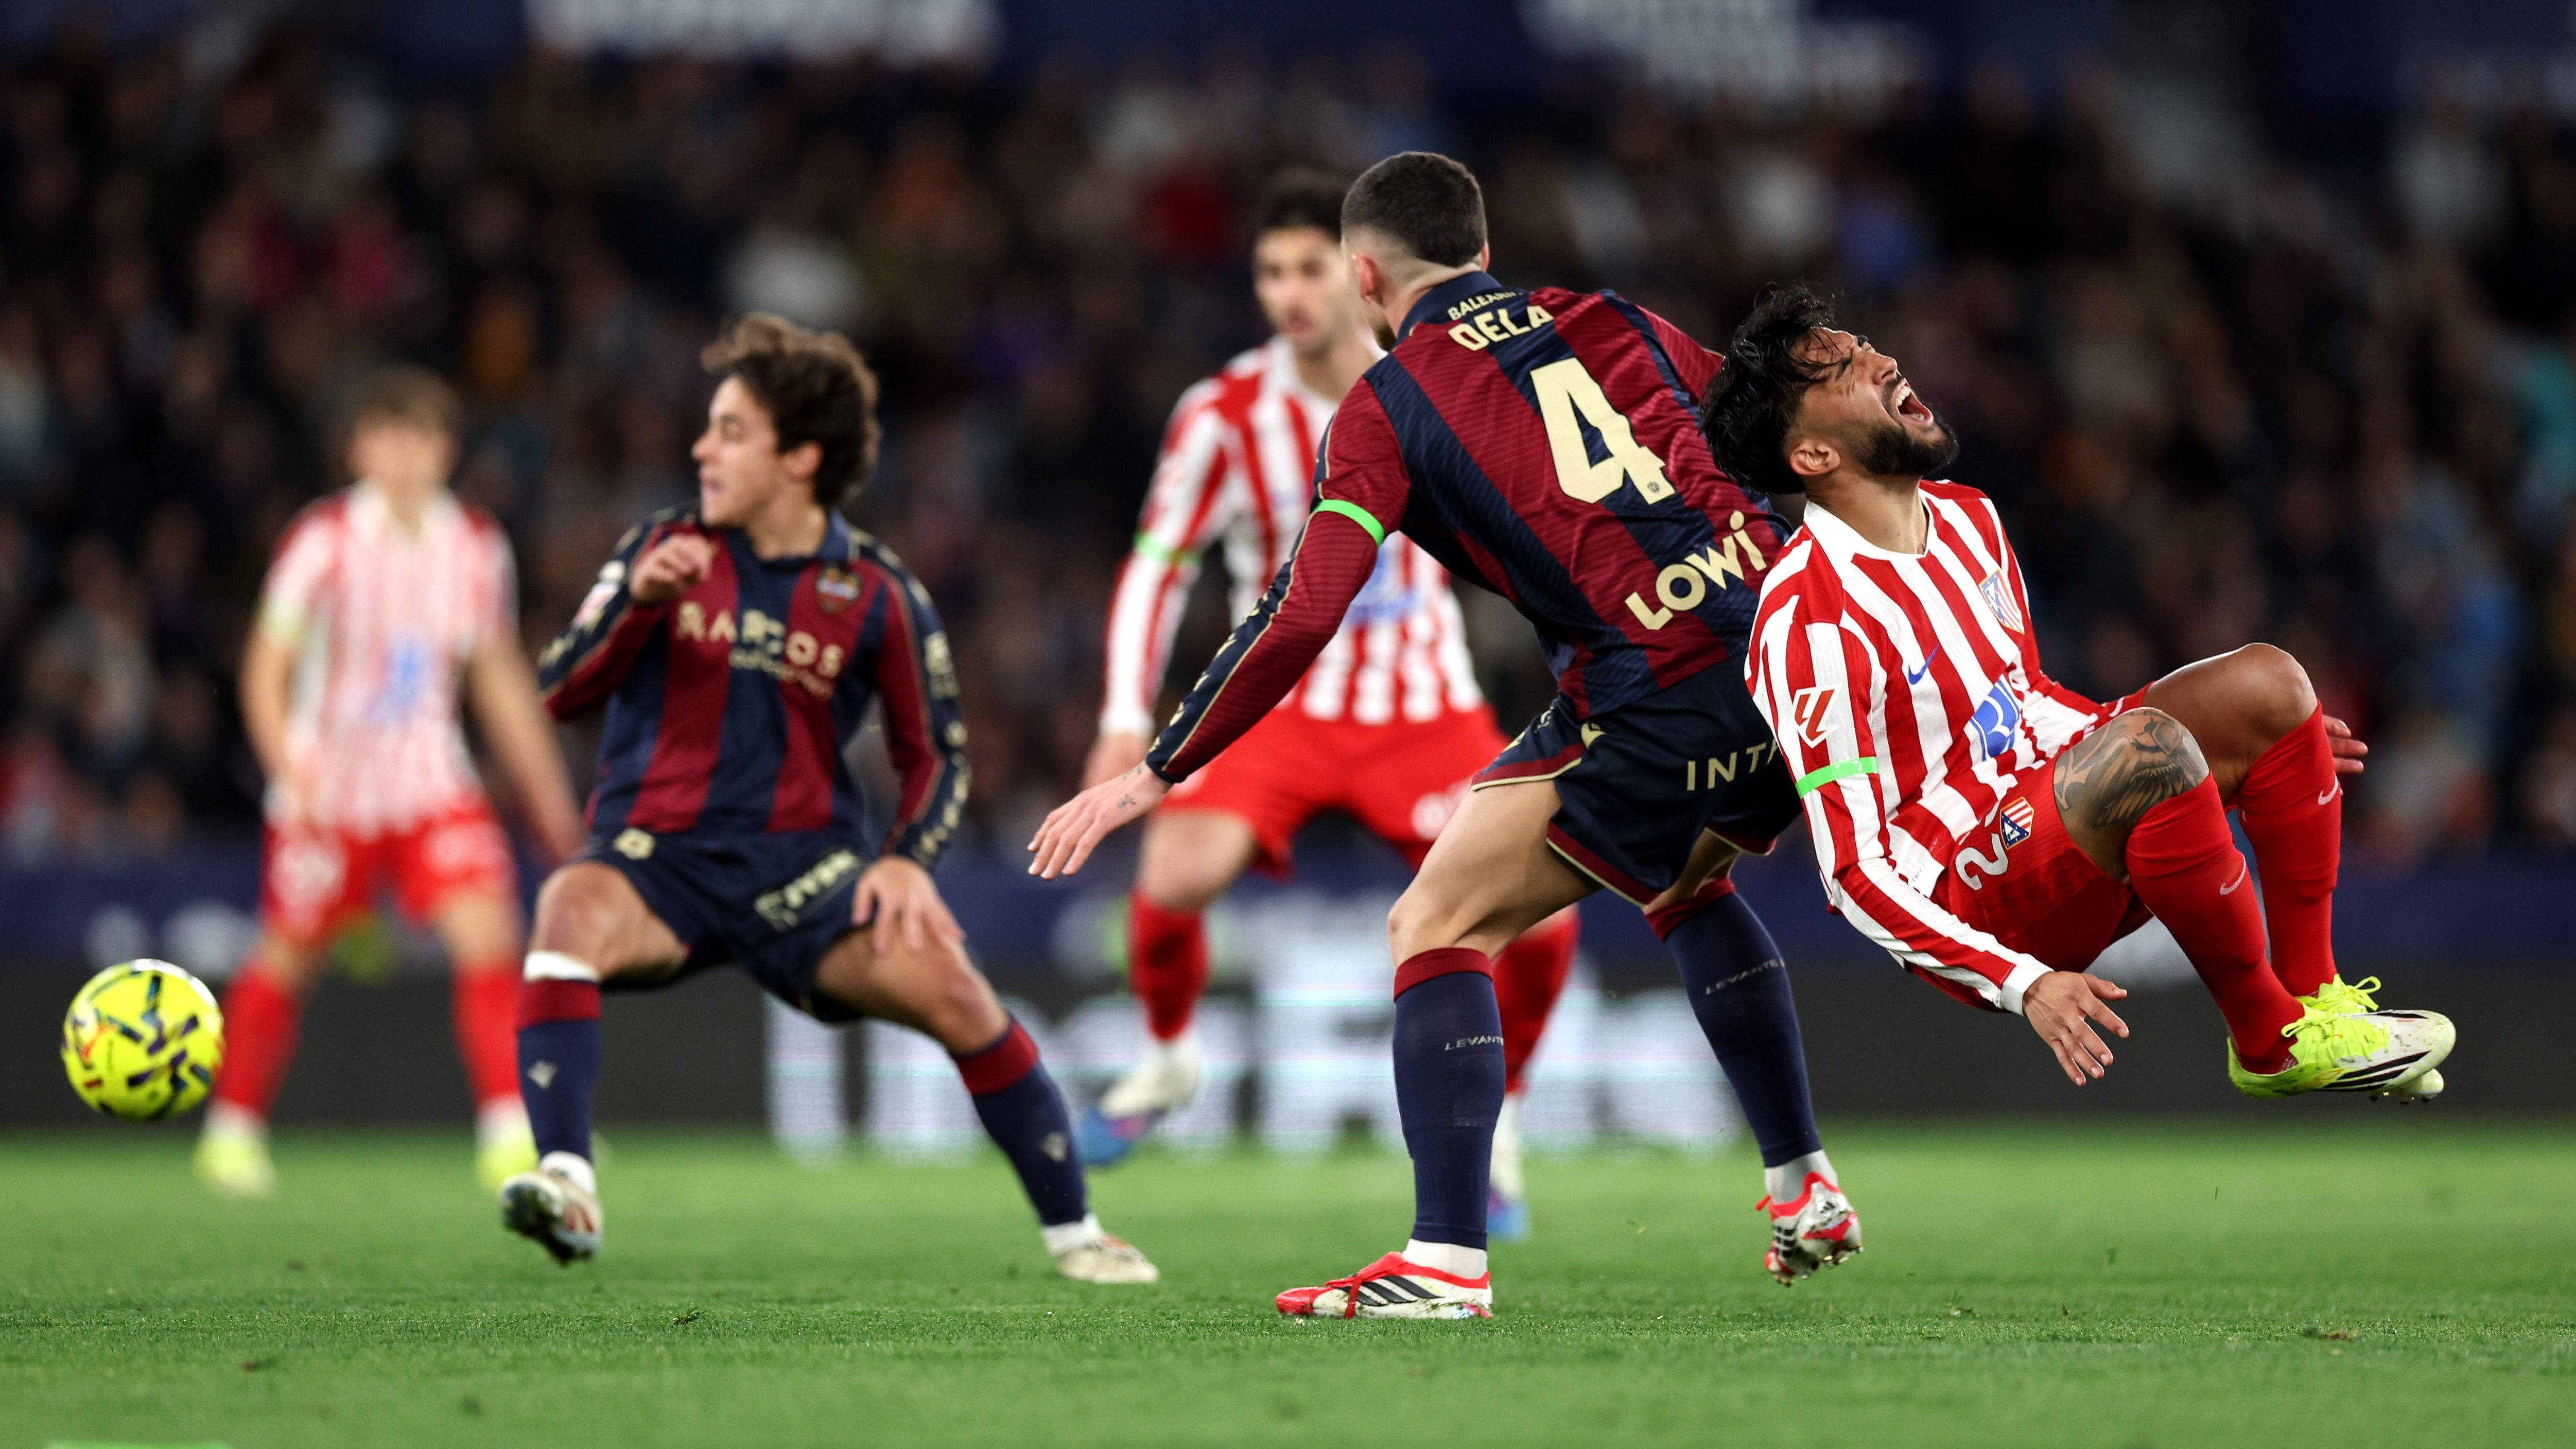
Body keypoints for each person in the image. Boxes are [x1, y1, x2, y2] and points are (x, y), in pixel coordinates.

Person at [1032, 154, 1855, 1318]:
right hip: (1783, 643)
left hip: (1652, 686)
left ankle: (1445, 1260)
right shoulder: (1608, 313)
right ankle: (1801, 1180)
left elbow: (1300, 609)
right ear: (1483, 243)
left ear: (1364, 274)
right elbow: (1786, 428)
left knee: (1436, 920)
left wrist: (1155, 765)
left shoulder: (1389, 401)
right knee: (1683, 879)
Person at [499, 315, 1155, 1285]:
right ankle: (569, 1182)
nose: (700, 449)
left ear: (799, 457)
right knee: (566, 907)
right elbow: (558, 690)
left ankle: (1077, 1232)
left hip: (804, 877)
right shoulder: (663, 548)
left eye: (729, 431)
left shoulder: (879, 592)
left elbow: (936, 750)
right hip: (657, 864)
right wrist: (636, 602)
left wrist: (903, 863)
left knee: (958, 991)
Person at [1702, 285, 2451, 1099]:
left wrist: (2225, 761)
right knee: (2149, 748)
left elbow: (2027, 698)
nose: (1885, 360)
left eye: (1867, 346)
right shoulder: (1806, 624)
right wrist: (2020, 981)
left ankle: (2323, 1011)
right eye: (1845, 370)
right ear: (1812, 457)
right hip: (1972, 900)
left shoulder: (1967, 519)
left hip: (2048, 818)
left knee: (2270, 686)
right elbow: (1852, 873)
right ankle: (2272, 1044)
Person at [1078, 170, 1578, 1238]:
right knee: (1170, 874)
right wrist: (1127, 712)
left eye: (1312, 267)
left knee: (1547, 917)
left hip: (1421, 704)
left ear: (1360, 276)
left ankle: (1508, 1118)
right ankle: (1167, 1062)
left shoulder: (1441, 383)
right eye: (1270, 271)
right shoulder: (1222, 414)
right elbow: (1157, 567)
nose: (1291, 291)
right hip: (1286, 708)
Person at [197, 368, 584, 1198]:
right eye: (386, 436)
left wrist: (546, 791)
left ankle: (506, 1129)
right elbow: (268, 661)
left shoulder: (477, 545)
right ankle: (231, 1129)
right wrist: (283, 761)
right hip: (328, 790)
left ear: (445, 451)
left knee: (488, 933)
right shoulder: (323, 539)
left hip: (428, 782)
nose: (402, 455)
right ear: (359, 447)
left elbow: (495, 671)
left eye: (420, 438)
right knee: (287, 956)